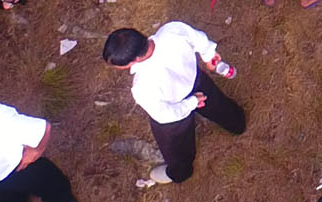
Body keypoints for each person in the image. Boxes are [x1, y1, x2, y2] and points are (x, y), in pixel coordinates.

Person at [102, 22, 244, 184]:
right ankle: (238, 124)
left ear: (135, 60)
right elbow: (199, 39)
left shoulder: (142, 86)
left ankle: (180, 173)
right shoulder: (172, 30)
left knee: (176, 148)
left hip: (176, 108)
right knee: (219, 105)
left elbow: (165, 115)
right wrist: (209, 56)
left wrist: (191, 103)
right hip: (195, 81)